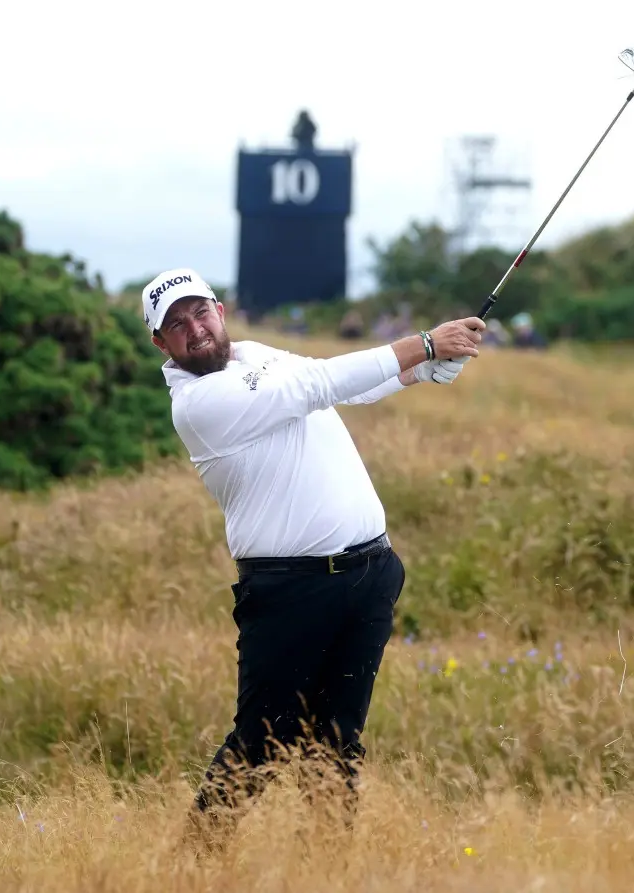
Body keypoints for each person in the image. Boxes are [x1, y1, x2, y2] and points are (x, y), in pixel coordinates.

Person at [139, 268, 483, 847]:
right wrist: (422, 343)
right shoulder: (199, 402)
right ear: (161, 344)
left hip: (369, 576)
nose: (193, 329)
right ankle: (191, 866)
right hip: (290, 592)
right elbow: (315, 386)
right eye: (175, 324)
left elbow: (342, 385)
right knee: (261, 741)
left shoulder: (254, 355)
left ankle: (326, 869)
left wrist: (418, 371)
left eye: (199, 312)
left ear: (219, 310)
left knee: (337, 742)